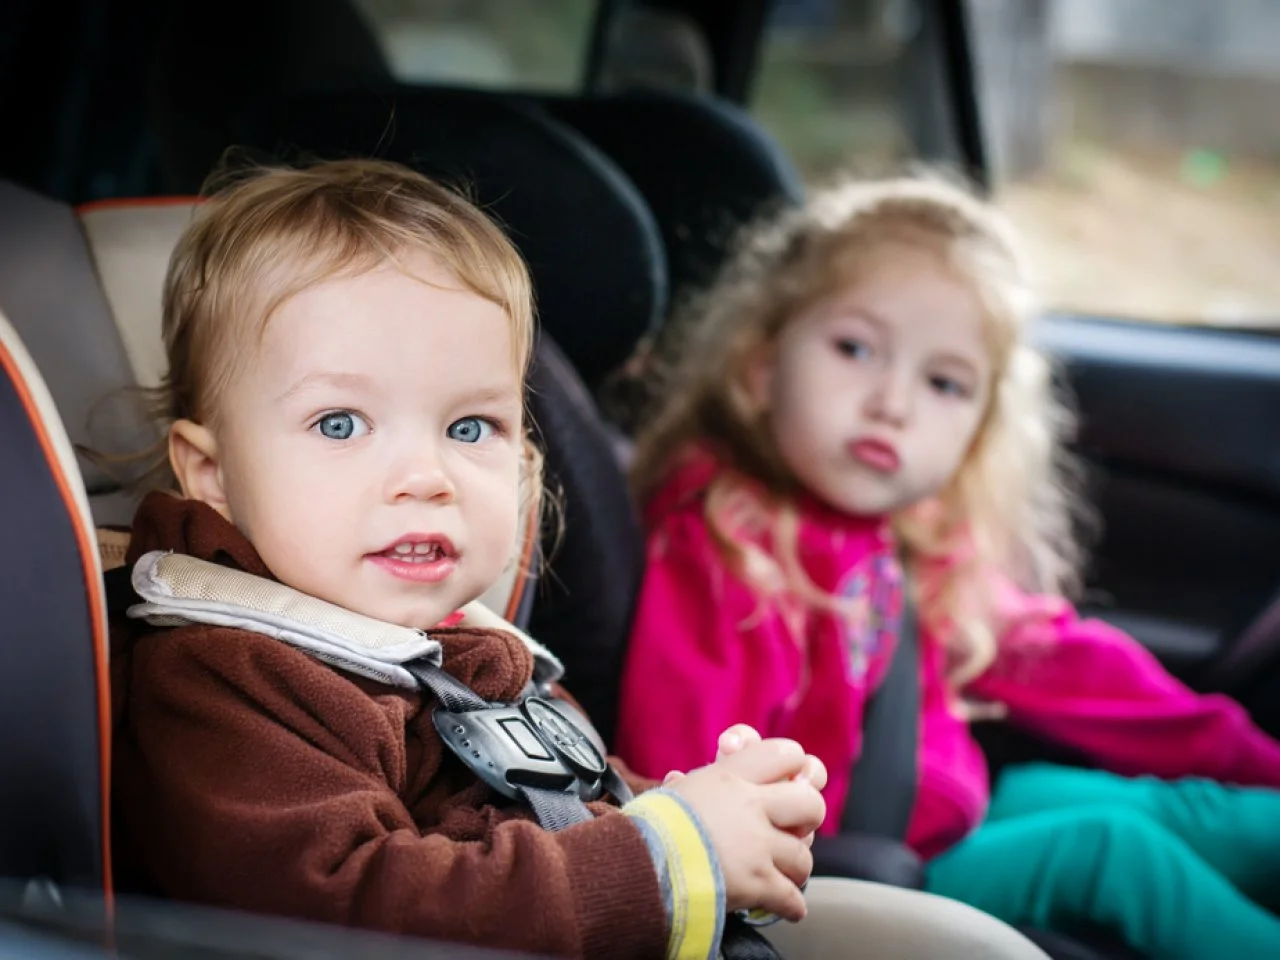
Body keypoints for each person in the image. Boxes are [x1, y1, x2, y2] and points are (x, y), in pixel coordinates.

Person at [106, 158, 830, 960]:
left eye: (469, 427)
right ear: (212, 476)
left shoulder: (469, 652)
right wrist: (666, 858)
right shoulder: (225, 679)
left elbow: (565, 812)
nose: (427, 478)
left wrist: (706, 812)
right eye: (341, 424)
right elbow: (343, 916)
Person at [614, 172, 1280, 959]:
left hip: (948, 807)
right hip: (852, 871)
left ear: (978, 428)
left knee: (1189, 812)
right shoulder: (726, 546)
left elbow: (1072, 669)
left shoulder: (910, 535)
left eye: (943, 382)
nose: (892, 402)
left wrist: (1250, 757)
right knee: (1111, 851)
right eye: (855, 348)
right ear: (761, 370)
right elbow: (688, 783)